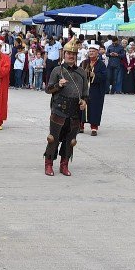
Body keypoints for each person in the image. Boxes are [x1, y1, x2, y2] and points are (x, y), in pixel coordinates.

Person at [43, 37, 87, 176]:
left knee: (70, 140)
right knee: (53, 138)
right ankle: (49, 164)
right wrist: (58, 85)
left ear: (76, 56)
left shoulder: (82, 72)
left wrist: (84, 102)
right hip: (59, 109)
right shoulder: (57, 70)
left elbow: (85, 93)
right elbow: (48, 89)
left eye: (73, 54)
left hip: (74, 111)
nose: (70, 56)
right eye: (68, 53)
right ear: (64, 54)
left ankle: (64, 164)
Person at [82, 42, 106, 136]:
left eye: (93, 51)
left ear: (97, 53)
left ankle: (94, 128)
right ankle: (81, 126)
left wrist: (94, 75)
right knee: (82, 107)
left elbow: (104, 76)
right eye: (90, 51)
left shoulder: (101, 64)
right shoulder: (84, 62)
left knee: (95, 108)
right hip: (84, 89)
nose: (91, 53)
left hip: (96, 90)